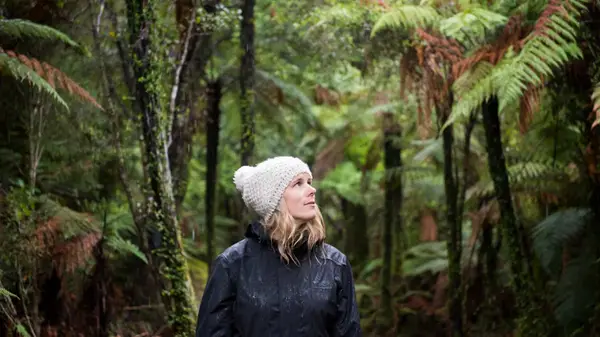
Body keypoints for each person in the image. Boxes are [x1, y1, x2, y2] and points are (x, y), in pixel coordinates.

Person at [195, 156, 362, 337]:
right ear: (272, 200)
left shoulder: (335, 264)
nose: (312, 190)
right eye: (298, 183)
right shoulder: (232, 265)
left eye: (309, 182)